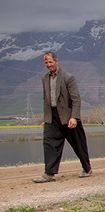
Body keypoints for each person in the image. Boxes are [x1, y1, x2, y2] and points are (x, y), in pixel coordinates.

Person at [32, 51, 92, 183]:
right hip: (52, 117)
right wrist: (45, 118)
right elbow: (46, 100)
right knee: (49, 144)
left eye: (50, 62)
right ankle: (49, 174)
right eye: (46, 63)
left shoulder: (68, 77)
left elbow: (76, 99)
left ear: (56, 61)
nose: (48, 65)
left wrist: (74, 117)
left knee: (78, 143)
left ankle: (87, 168)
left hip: (68, 116)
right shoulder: (45, 79)